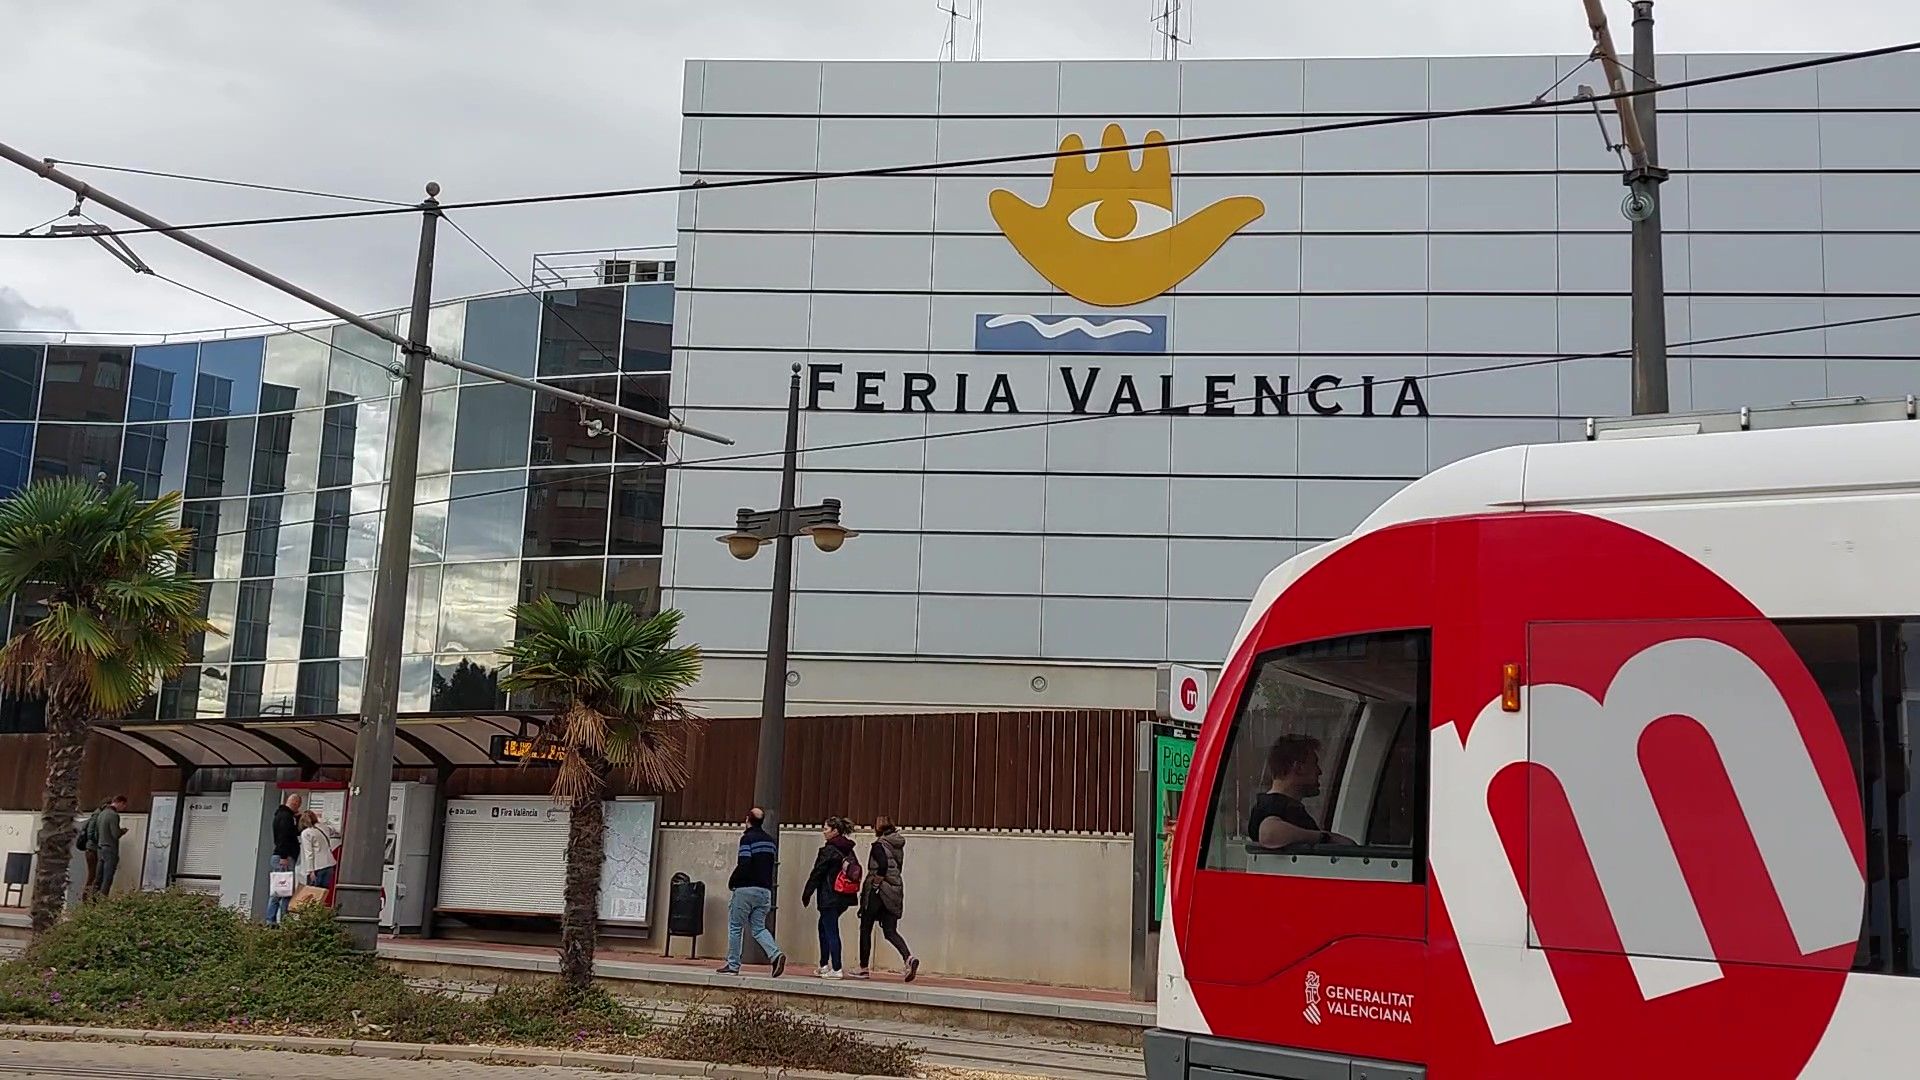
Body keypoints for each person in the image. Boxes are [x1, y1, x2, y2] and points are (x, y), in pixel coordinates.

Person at [1249, 735, 1354, 850]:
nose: (1319, 771)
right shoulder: (1273, 806)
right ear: (1298, 768)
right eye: (1314, 764)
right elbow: (1269, 834)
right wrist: (1325, 838)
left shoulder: (1276, 806)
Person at [717, 806, 786, 977]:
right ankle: (775, 954)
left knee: (735, 927)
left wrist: (733, 881)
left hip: (745, 889)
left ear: (747, 820)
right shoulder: (770, 841)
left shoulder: (747, 839)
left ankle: (733, 965)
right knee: (759, 928)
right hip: (765, 891)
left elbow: (745, 863)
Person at [850, 816, 918, 982]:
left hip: (879, 892)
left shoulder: (879, 845)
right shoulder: (897, 845)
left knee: (866, 928)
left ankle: (863, 967)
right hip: (895, 890)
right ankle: (908, 958)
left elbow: (882, 866)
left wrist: (875, 885)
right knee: (890, 931)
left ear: (878, 828)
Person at [799, 816, 858, 979]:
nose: (823, 832)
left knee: (830, 929)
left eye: (826, 829)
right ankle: (824, 964)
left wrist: (807, 892)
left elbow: (817, 872)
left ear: (835, 831)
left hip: (829, 895)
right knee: (823, 926)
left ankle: (836, 967)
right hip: (845, 895)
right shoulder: (848, 849)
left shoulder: (829, 850)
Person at [266, 791, 303, 925]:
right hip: (284, 857)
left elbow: (294, 832)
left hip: (284, 856)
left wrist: (298, 818)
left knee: (283, 889)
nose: (298, 808)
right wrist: (283, 856)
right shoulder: (285, 817)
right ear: (294, 802)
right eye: (298, 805)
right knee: (281, 890)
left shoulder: (284, 815)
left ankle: (276, 919)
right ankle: (273, 920)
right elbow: (283, 837)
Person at [83, 795, 129, 900]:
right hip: (110, 849)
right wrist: (122, 831)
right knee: (107, 877)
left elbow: (96, 833)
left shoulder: (101, 813)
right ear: (120, 803)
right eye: (123, 806)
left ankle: (93, 900)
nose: (123, 809)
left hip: (100, 848)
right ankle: (102, 901)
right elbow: (115, 834)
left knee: (98, 877)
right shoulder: (113, 815)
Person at [298, 810, 337, 891]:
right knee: (323, 893)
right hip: (329, 864)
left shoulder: (306, 833)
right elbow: (333, 830)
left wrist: (310, 871)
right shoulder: (324, 827)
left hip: (317, 867)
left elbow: (309, 853)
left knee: (313, 894)